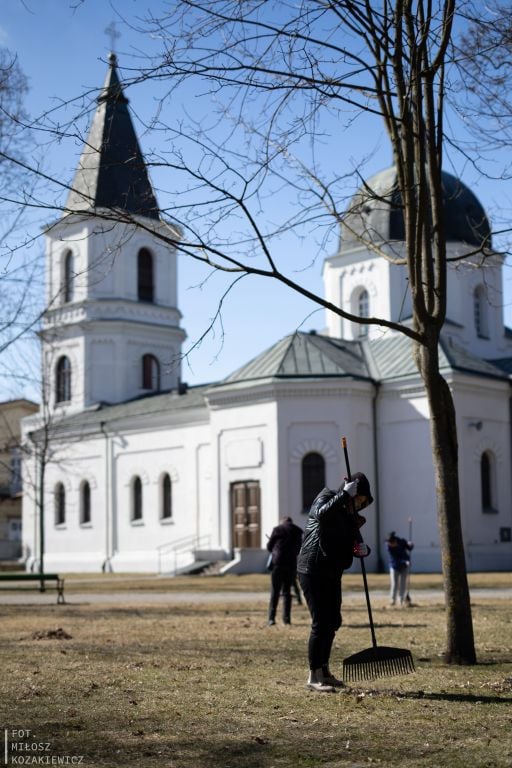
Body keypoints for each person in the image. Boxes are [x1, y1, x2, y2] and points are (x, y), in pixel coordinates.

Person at [297, 472, 374, 693]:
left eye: (362, 503)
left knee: (333, 621)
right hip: (312, 570)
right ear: (351, 492)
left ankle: (324, 671)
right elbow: (321, 515)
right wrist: (343, 495)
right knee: (321, 622)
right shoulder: (326, 497)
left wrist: (363, 550)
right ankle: (313, 676)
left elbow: (348, 543)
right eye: (358, 500)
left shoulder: (348, 516)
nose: (358, 505)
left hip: (331, 572)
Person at [266, 516, 303, 626]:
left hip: (278, 563)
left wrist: (275, 550)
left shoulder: (277, 529)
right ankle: (286, 619)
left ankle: (271, 618)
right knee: (287, 592)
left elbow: (269, 546)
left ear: (282, 522)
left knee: (275, 591)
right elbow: (299, 548)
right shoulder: (298, 531)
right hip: (291, 564)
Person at [386, 531, 414, 606]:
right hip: (394, 566)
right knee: (394, 584)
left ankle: (401, 600)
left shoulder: (402, 541)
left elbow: (409, 548)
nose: (391, 545)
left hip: (404, 567)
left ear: (395, 541)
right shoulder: (389, 547)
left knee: (403, 584)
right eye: (389, 543)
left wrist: (411, 545)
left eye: (392, 543)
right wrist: (405, 562)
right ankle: (392, 600)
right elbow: (395, 559)